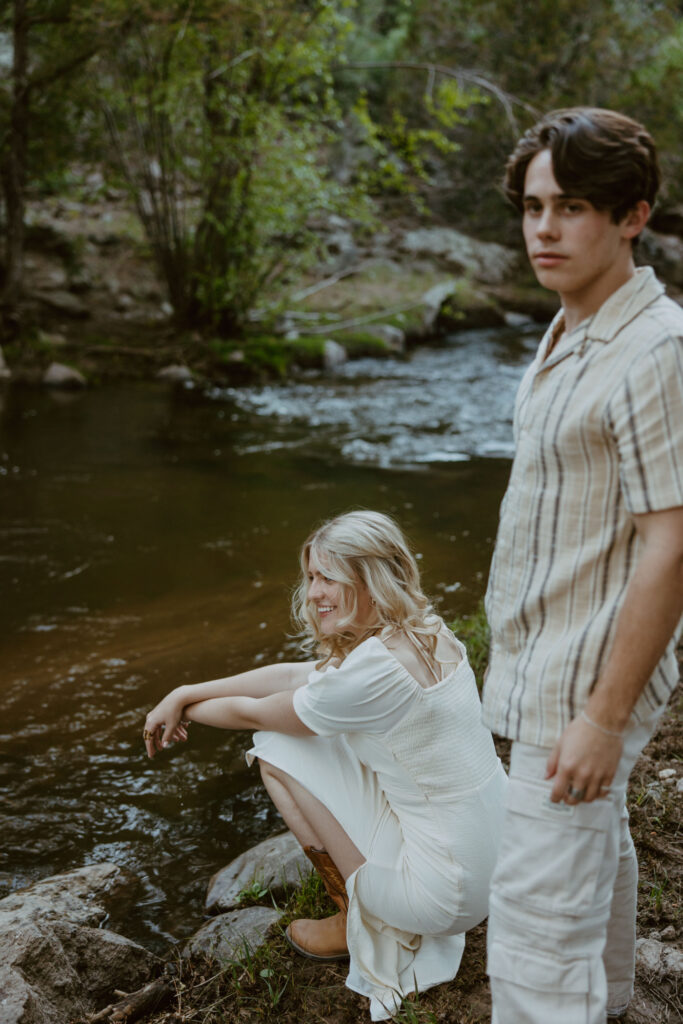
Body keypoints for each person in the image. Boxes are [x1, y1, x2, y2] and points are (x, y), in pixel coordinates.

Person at [144, 510, 508, 1021]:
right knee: (325, 736)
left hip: (445, 898)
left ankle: (354, 918)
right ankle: (369, 901)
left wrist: (184, 708)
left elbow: (256, 710)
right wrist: (186, 691)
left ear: (371, 579)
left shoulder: (373, 671)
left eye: (327, 578)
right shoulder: (427, 630)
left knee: (275, 745)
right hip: (501, 865)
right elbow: (298, 674)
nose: (313, 592)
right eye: (311, 576)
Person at [482, 107, 683, 1024]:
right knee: (583, 875)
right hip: (542, 668)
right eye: (531, 208)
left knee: (529, 944)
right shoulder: (569, 329)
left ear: (631, 216)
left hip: (582, 683)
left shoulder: (653, 351)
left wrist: (602, 719)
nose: (543, 229)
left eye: (569, 208)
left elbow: (672, 541)